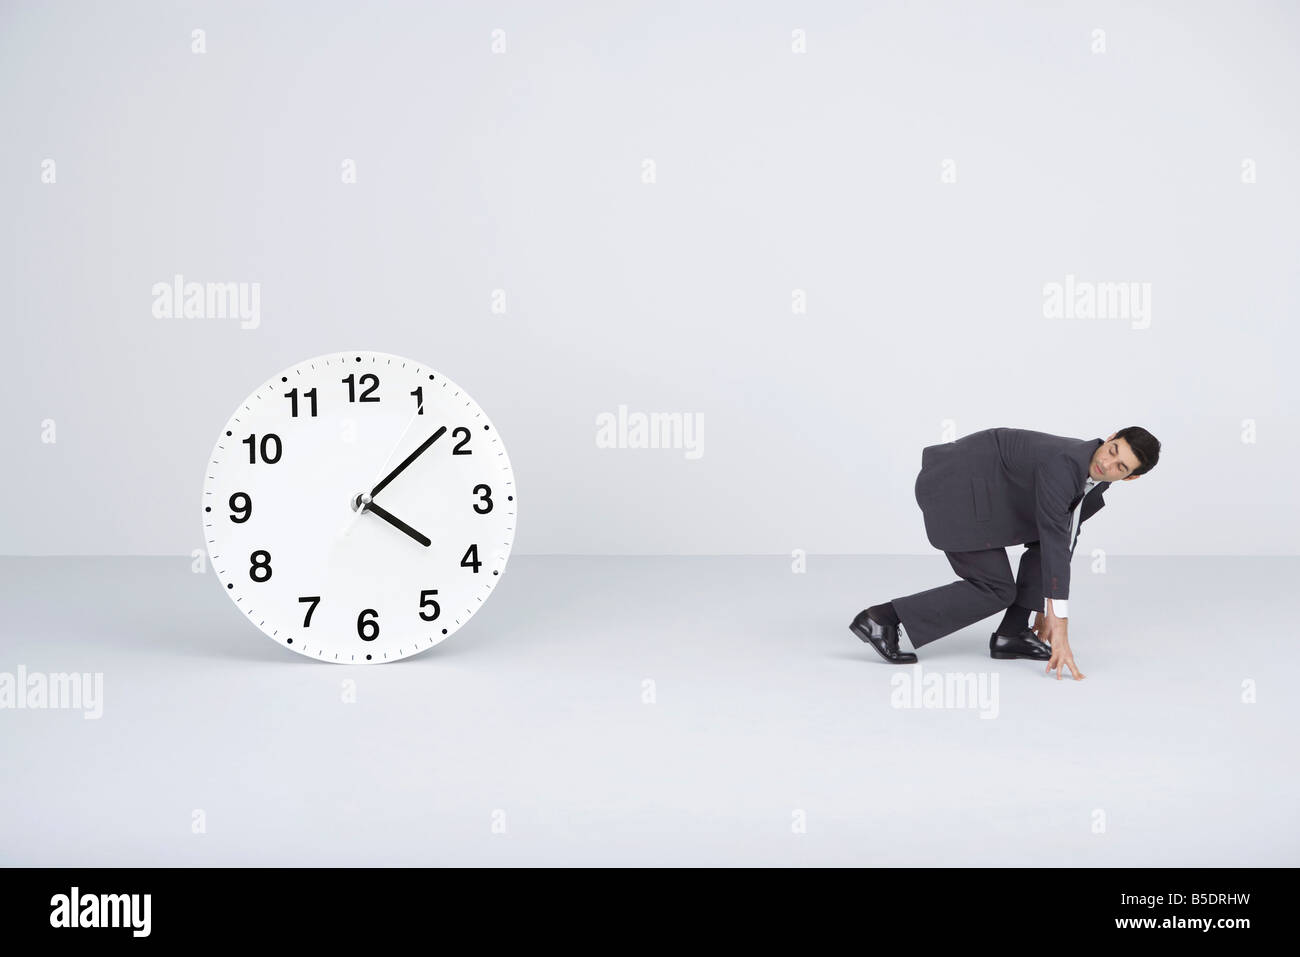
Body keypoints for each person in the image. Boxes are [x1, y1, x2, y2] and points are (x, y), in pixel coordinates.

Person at [850, 426, 1161, 680]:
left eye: (1121, 466)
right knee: (996, 589)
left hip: (986, 497)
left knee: (1049, 546)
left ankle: (1011, 634)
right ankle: (881, 618)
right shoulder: (1067, 463)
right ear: (1109, 439)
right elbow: (1055, 536)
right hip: (954, 488)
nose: (1107, 463)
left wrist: (1043, 604)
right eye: (1112, 450)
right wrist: (1060, 625)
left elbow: (1063, 537)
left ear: (1130, 478)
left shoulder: (1093, 482)